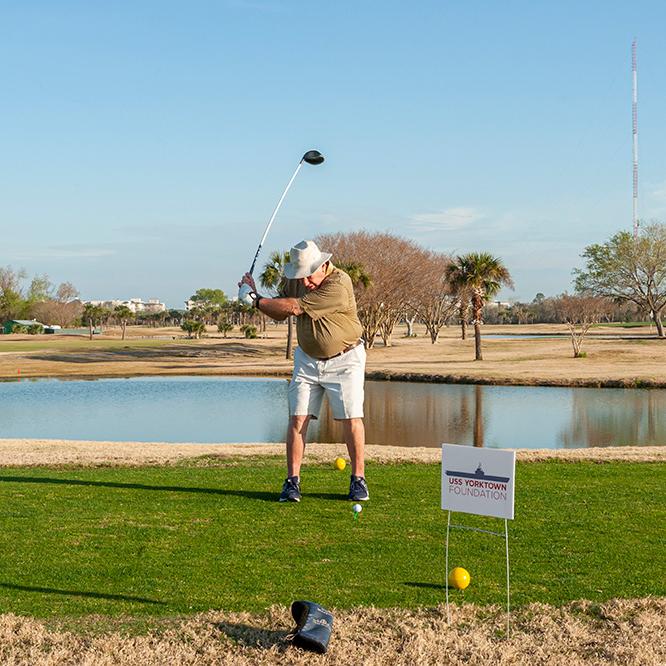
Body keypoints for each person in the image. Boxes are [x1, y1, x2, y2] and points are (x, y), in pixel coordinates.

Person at [238, 239, 369, 503]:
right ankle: (292, 483)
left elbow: (296, 307)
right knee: (297, 419)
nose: (305, 282)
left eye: (309, 276)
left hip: (345, 360)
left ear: (324, 264)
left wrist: (254, 301)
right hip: (307, 360)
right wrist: (255, 293)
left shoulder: (339, 283)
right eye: (301, 277)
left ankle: (358, 480)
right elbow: (280, 311)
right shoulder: (298, 279)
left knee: (351, 418)